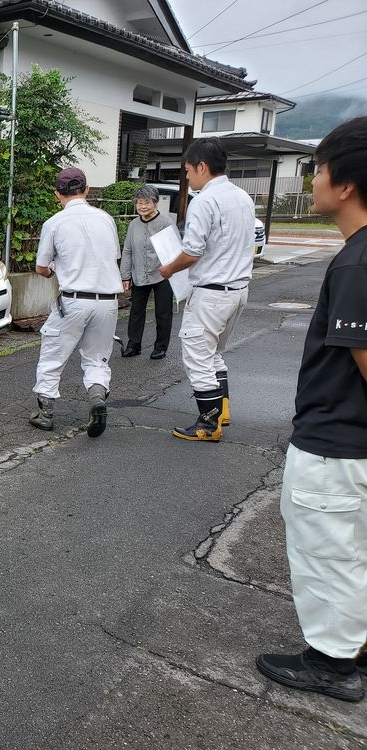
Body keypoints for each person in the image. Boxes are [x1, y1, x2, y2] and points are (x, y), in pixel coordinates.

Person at [256, 117, 367, 703]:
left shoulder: (356, 263)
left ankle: (331, 662)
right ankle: (357, 647)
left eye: (318, 169)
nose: (314, 179)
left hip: (337, 440)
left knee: (327, 549)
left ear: (345, 183)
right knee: (357, 549)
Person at [159, 137, 255, 442]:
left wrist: (168, 268)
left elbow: (192, 252)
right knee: (213, 353)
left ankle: (208, 423)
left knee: (197, 356)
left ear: (202, 166)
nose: (188, 177)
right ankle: (221, 410)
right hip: (238, 289)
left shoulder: (205, 201)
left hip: (211, 292)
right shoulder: (243, 197)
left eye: (188, 170)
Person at [29, 167, 122, 438]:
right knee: (96, 358)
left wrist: (55, 270)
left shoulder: (55, 223)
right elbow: (112, 256)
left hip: (73, 300)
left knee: (53, 355)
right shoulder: (106, 219)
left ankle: (45, 413)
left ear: (57, 194)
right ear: (87, 190)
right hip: (107, 301)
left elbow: (41, 267)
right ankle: (96, 399)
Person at [120, 185, 175, 360]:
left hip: (162, 275)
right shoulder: (133, 224)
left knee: (163, 312)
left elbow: (174, 250)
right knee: (136, 311)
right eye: (139, 203)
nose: (143, 207)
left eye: (147, 203)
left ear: (155, 203)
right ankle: (133, 345)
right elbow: (127, 250)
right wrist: (125, 275)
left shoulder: (165, 223)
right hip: (139, 275)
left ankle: (160, 347)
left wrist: (172, 270)